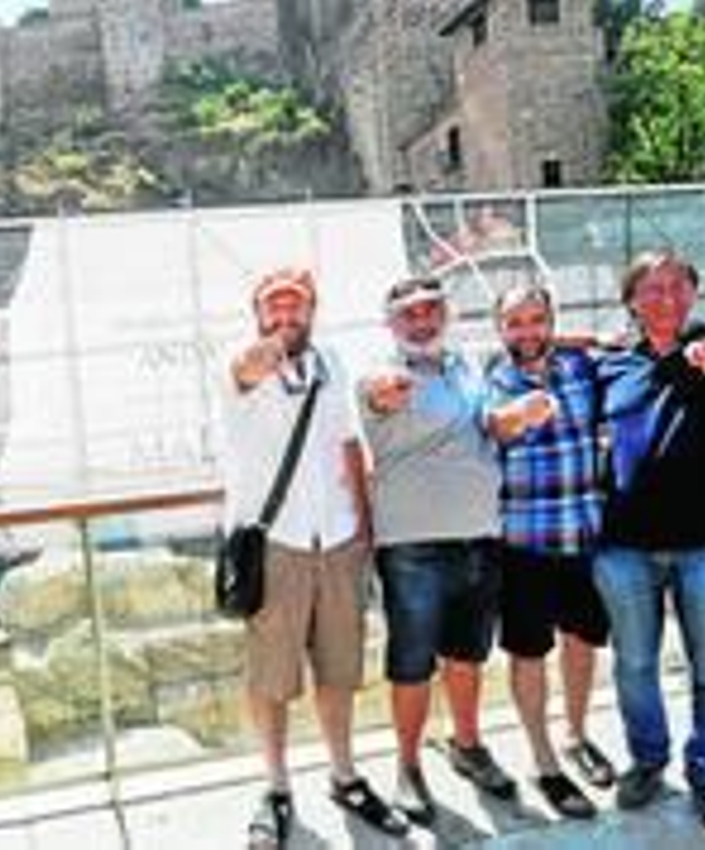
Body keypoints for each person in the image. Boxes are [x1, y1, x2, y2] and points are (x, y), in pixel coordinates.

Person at [219, 268, 407, 846]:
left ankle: (344, 775)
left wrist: (365, 530)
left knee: (338, 669)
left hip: (339, 539)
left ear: (313, 311)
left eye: (295, 305)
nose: (285, 315)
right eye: (273, 306)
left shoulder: (331, 363)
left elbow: (347, 442)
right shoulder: (240, 365)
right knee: (271, 676)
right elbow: (246, 368)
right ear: (257, 315)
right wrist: (269, 348)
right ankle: (276, 787)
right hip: (277, 541)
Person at [593, 250, 705, 839]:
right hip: (624, 545)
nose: (666, 297)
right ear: (631, 301)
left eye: (677, 286)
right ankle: (648, 760)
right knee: (634, 666)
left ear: (693, 294)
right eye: (652, 288)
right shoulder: (612, 364)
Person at [359, 276, 516, 826]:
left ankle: (466, 745)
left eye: (432, 311)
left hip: (479, 534)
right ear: (390, 323)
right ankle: (407, 766)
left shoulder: (464, 364)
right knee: (412, 662)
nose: (423, 321)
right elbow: (379, 394)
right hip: (413, 545)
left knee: (468, 653)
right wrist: (385, 392)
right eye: (410, 314)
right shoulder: (381, 370)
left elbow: (489, 424)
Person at [483, 280, 616, 819]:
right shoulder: (490, 379)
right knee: (529, 652)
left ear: (552, 322)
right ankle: (543, 761)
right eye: (514, 323)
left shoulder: (579, 369)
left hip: (584, 535)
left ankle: (576, 735)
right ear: (499, 329)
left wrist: (586, 339)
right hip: (523, 544)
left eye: (536, 320)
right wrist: (518, 415)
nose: (527, 332)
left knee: (583, 640)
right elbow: (494, 427)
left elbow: (617, 344)